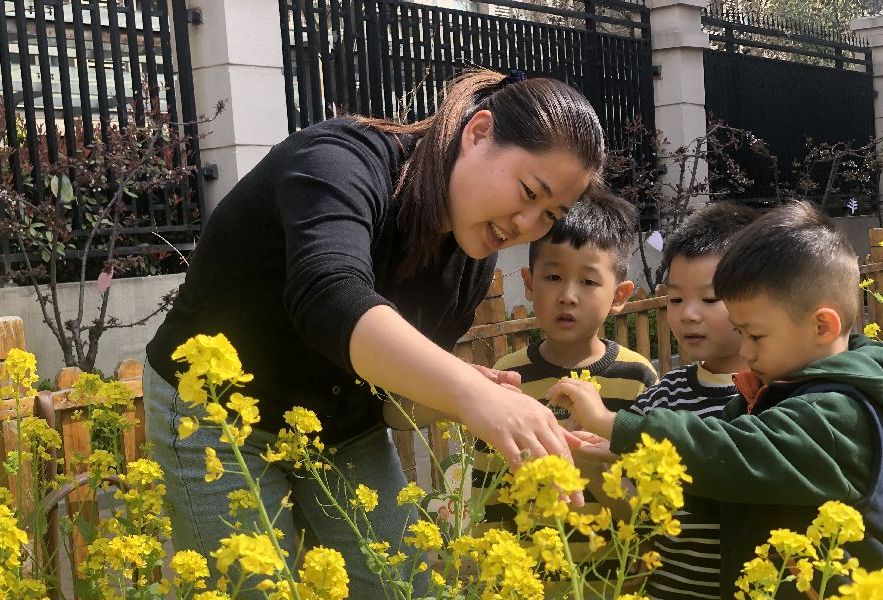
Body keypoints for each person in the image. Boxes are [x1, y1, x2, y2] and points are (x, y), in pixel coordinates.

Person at [143, 68, 607, 595]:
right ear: (478, 132)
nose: (525, 225)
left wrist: (466, 402)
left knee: (402, 585)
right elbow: (330, 295)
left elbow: (388, 403)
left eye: (550, 214)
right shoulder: (338, 161)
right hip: (213, 411)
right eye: (528, 191)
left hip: (340, 424)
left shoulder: (471, 260)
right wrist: (468, 390)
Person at [548, 201, 883, 599]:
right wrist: (629, 459)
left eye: (755, 336)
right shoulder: (769, 391)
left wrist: (614, 423)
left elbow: (729, 449)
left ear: (821, 325)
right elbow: (720, 495)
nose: (748, 350)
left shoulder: (837, 412)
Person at [470, 193, 657, 589]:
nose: (567, 295)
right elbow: (488, 483)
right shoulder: (509, 376)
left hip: (613, 576)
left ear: (619, 297)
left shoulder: (637, 376)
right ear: (529, 284)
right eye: (553, 277)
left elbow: (647, 496)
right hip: (529, 579)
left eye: (588, 281)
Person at [627, 202, 758, 600]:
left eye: (710, 299)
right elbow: (626, 490)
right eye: (676, 299)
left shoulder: (779, 395)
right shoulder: (663, 395)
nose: (688, 315)